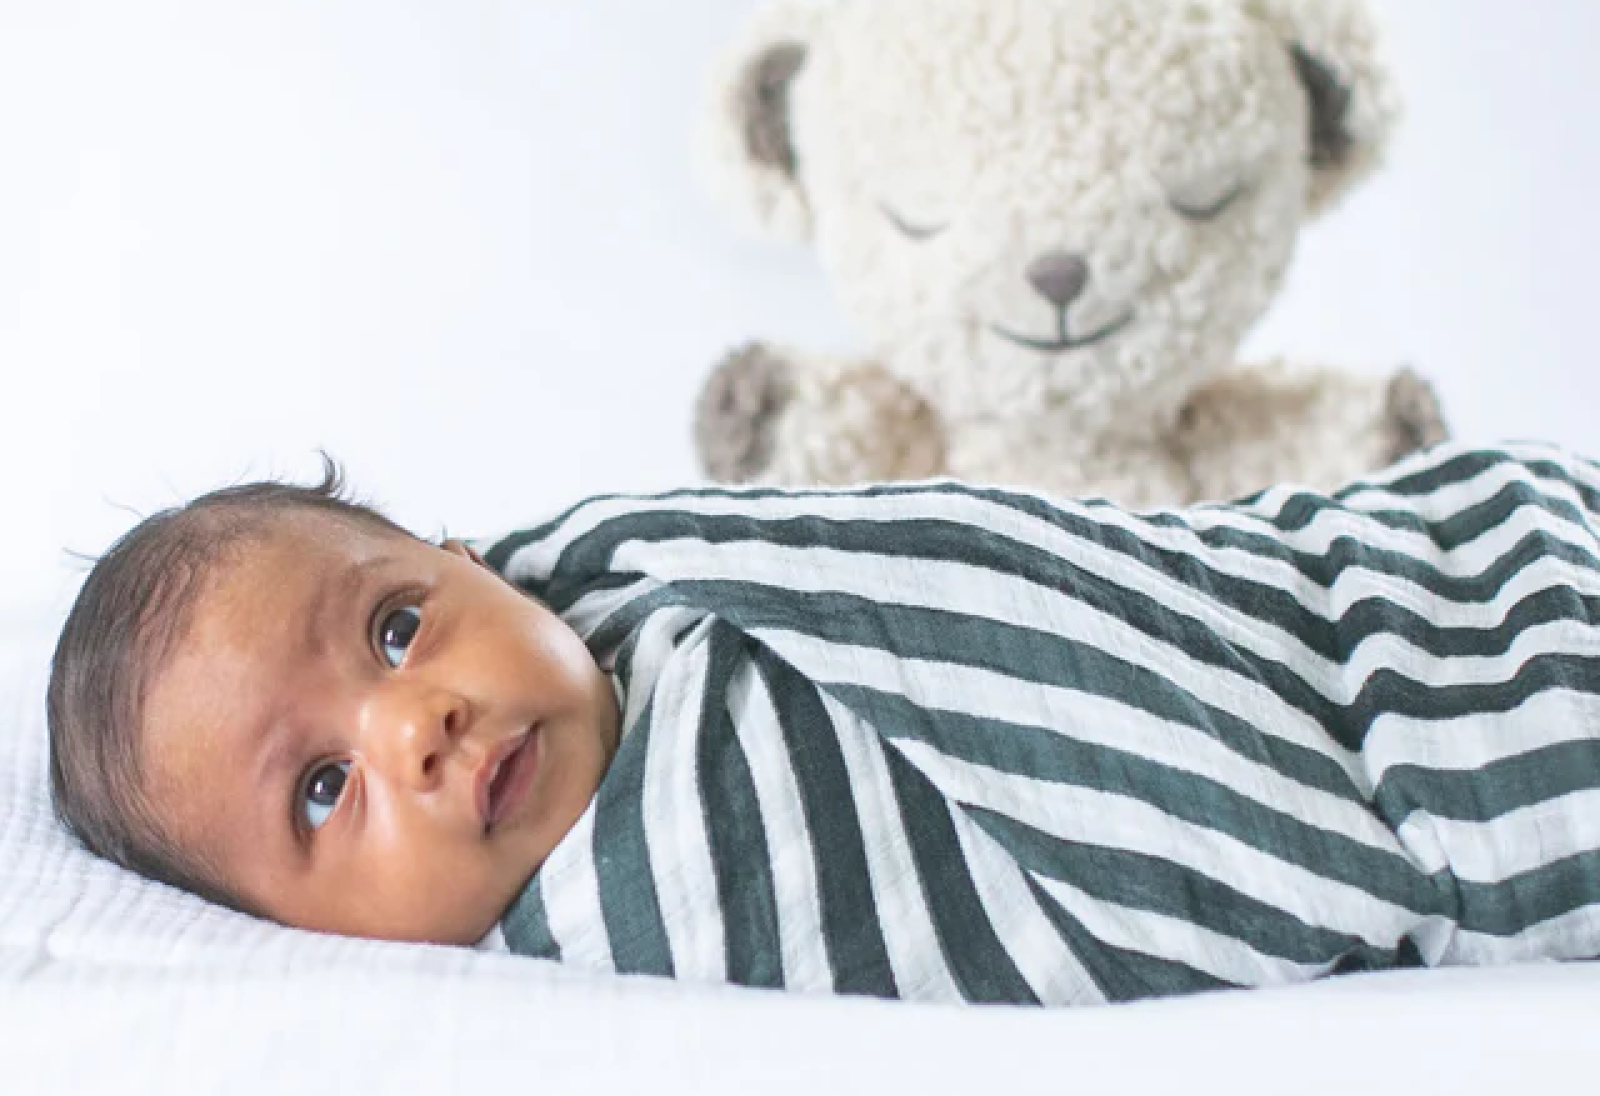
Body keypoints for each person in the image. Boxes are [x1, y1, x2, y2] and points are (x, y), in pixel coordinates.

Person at [47, 441, 1600, 1006]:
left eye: (397, 627)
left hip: (1404, 589)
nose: (418, 728)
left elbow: (1013, 587)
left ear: (470, 560)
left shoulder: (651, 578)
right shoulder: (603, 951)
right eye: (323, 791)